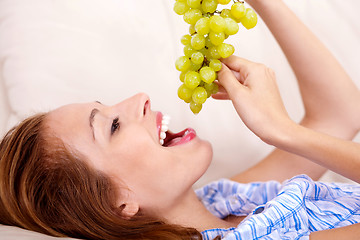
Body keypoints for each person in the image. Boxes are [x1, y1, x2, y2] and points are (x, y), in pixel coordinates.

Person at [0, 0, 360, 239]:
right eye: (112, 126)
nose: (139, 98)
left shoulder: (223, 203)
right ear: (119, 204)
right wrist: (282, 132)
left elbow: (338, 115)